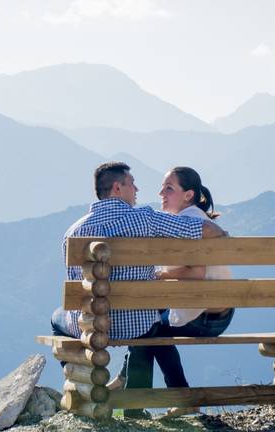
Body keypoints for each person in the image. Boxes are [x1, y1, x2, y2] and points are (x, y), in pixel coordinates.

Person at [49, 162, 225, 419]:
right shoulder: (145, 218)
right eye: (132, 183)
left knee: (57, 317)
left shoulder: (73, 232)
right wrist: (222, 233)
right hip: (138, 324)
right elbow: (206, 230)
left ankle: (80, 384)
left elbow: (77, 282)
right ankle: (134, 407)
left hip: (91, 325)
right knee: (148, 328)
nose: (137, 188)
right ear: (118, 188)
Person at [152, 166, 234, 417]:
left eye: (169, 188)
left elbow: (195, 274)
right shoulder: (197, 218)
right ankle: (124, 377)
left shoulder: (190, 223)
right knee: (149, 317)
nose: (161, 193)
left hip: (205, 317)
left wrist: (160, 275)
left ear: (188, 195)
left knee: (150, 329)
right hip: (221, 311)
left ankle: (183, 397)